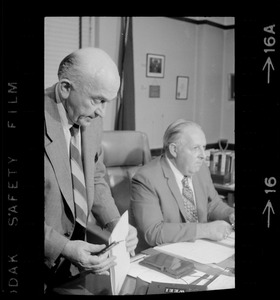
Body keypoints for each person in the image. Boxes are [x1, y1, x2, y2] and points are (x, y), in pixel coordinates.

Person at [44, 47, 138, 295]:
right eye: (98, 100)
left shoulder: (90, 118)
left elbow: (95, 177)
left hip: (73, 267)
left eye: (107, 102)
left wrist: (116, 225)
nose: (102, 112)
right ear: (65, 88)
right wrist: (63, 247)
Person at [130, 119, 234, 252]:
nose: (203, 156)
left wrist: (230, 214)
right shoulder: (146, 179)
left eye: (204, 147)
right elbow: (153, 232)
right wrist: (204, 230)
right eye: (196, 148)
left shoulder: (200, 169)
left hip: (198, 248)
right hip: (161, 254)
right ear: (174, 149)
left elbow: (213, 205)